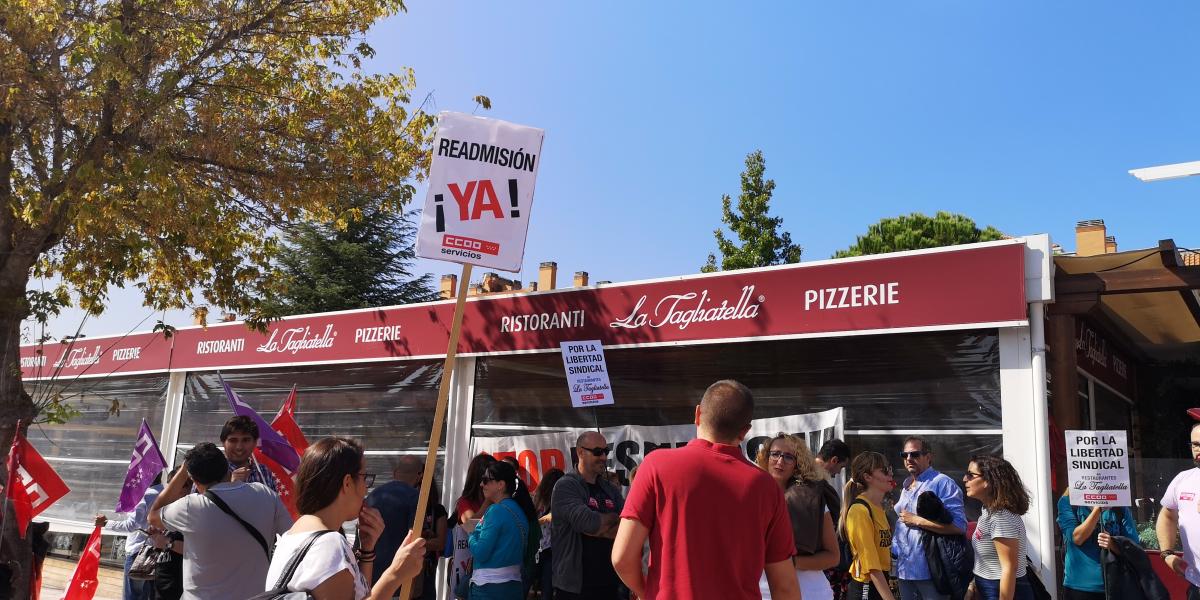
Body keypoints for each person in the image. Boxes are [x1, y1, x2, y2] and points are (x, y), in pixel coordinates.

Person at [612, 379, 800, 600]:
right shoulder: (766, 487)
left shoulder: (655, 466)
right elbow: (785, 586)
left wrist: (648, 593)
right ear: (745, 431)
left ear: (697, 414)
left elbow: (622, 558)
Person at [264, 436, 426, 599]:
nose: (366, 489)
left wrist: (366, 551)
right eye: (364, 477)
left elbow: (360, 596)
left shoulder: (295, 534)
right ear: (347, 482)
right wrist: (396, 574)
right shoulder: (328, 544)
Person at [148, 442, 293, 600]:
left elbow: (153, 517)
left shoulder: (191, 507)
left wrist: (183, 470)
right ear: (227, 468)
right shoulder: (264, 493)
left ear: (194, 480)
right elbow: (291, 536)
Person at [754, 433, 840, 600]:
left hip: (809, 593)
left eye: (788, 457)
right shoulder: (751, 497)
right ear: (766, 457)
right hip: (761, 592)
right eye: (775, 454)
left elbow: (833, 556)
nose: (780, 461)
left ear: (797, 463)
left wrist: (789, 562)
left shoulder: (812, 500)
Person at [553, 432, 625, 600]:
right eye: (598, 452)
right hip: (576, 588)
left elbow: (627, 525)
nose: (604, 457)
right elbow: (589, 523)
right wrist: (613, 520)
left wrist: (602, 524)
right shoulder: (566, 485)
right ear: (580, 452)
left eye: (606, 451)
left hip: (610, 583)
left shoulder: (610, 489)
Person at [893, 437, 967, 600]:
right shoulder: (906, 485)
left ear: (928, 457)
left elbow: (959, 526)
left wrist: (917, 520)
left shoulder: (942, 483)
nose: (909, 459)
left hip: (930, 572)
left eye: (915, 454)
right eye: (904, 455)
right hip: (904, 570)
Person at [962, 455, 1033, 600]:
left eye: (970, 475)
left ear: (988, 480)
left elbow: (1009, 569)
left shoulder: (1001, 517)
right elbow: (988, 560)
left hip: (1003, 591)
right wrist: (974, 584)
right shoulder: (988, 511)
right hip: (990, 587)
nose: (964, 479)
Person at [466, 460, 539, 600]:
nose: (481, 484)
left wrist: (471, 535)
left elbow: (481, 552)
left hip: (488, 589)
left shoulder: (496, 510)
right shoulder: (520, 510)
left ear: (501, 485)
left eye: (486, 480)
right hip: (513, 587)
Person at [1056, 490, 1139, 600]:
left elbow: (1133, 548)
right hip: (1079, 588)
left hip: (1115, 586)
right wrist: (1098, 508)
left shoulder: (1119, 506)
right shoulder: (1068, 502)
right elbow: (1077, 538)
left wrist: (1112, 544)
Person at [95, 472, 164, 600]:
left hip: (138, 553)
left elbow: (131, 525)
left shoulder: (144, 496)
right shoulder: (165, 493)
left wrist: (106, 523)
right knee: (146, 595)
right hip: (156, 552)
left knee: (133, 595)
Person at [840, 451, 897, 600]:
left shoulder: (878, 507)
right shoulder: (860, 510)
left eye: (890, 469)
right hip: (866, 585)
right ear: (867, 477)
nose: (891, 474)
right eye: (885, 470)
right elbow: (871, 566)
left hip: (879, 583)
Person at [1157, 421, 1200, 599]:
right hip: (1196, 585)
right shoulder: (1183, 479)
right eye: (1196, 444)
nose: (1199, 450)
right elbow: (1168, 515)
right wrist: (1167, 553)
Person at [365, 455, 423, 585]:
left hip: (370, 569)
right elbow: (414, 539)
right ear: (419, 476)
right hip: (398, 574)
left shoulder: (374, 494)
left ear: (395, 472)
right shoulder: (415, 498)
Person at [221, 415, 279, 489]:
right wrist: (232, 487)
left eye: (245, 440)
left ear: (255, 443)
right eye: (233, 440)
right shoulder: (214, 471)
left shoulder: (263, 471)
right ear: (223, 442)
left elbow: (272, 496)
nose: (239, 447)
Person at [533, 468, 565, 600]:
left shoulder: (561, 502)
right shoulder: (537, 499)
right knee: (536, 584)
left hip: (551, 549)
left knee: (547, 587)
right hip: (539, 548)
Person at [415, 482, 448, 600]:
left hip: (427, 570)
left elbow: (440, 543)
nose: (419, 491)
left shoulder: (437, 510)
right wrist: (427, 539)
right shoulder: (409, 507)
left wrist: (416, 543)